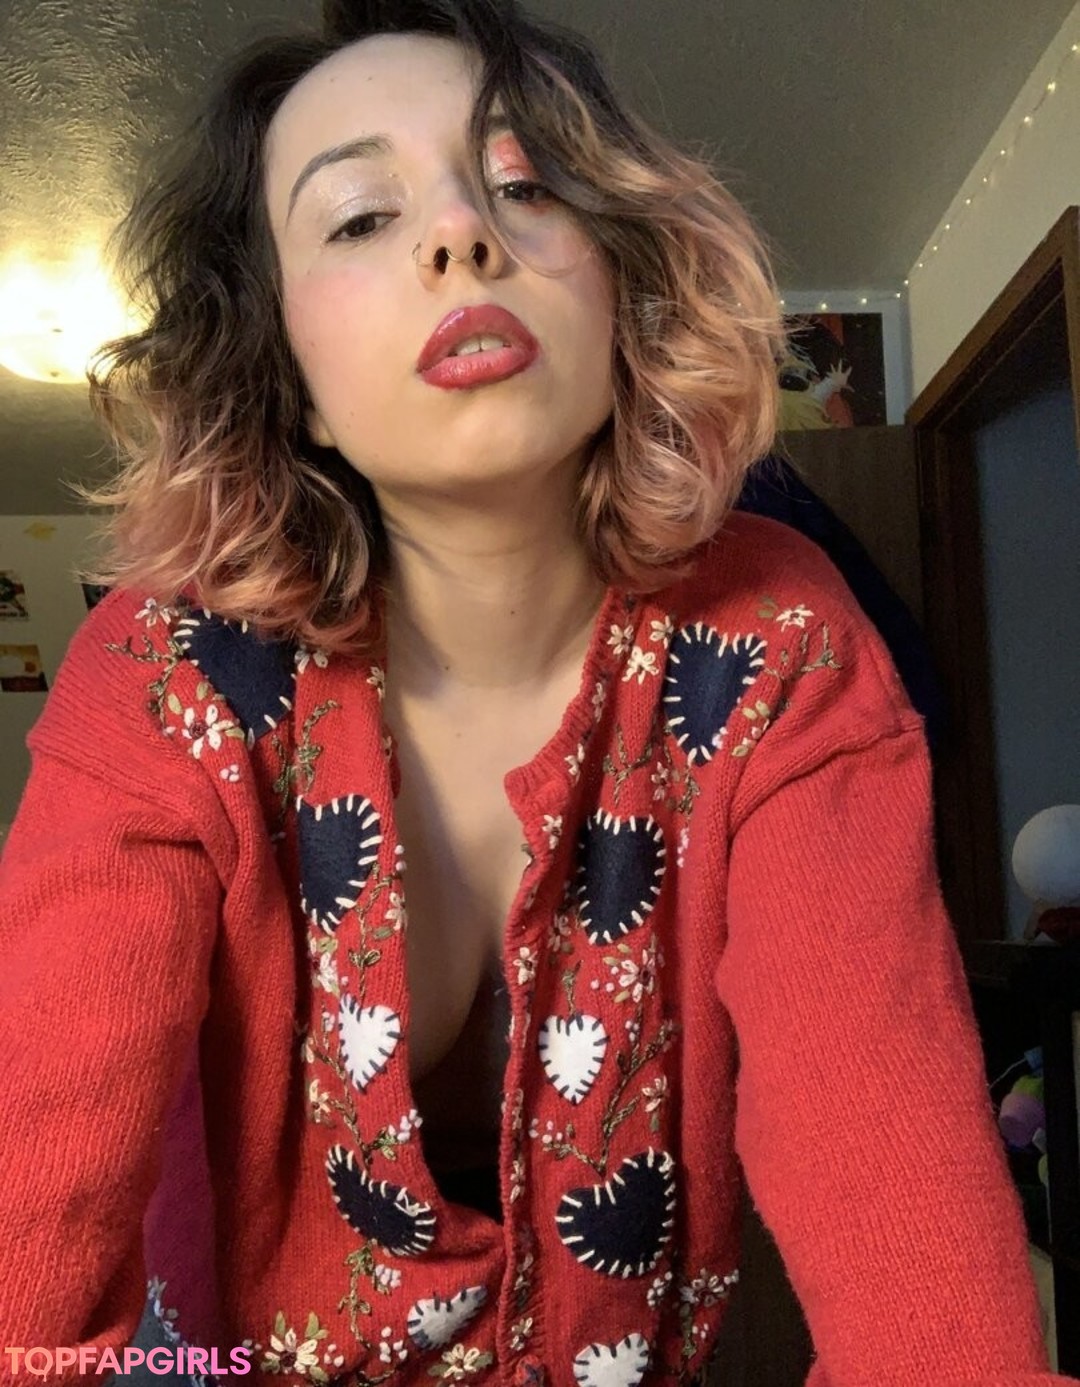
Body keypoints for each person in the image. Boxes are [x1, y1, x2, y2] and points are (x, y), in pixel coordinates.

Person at [0, 2, 1071, 1385]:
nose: (460, 235)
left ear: (620, 285)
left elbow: (912, 1241)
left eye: (523, 185)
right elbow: (32, 1207)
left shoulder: (780, 642)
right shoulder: (162, 671)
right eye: (361, 217)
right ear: (291, 375)